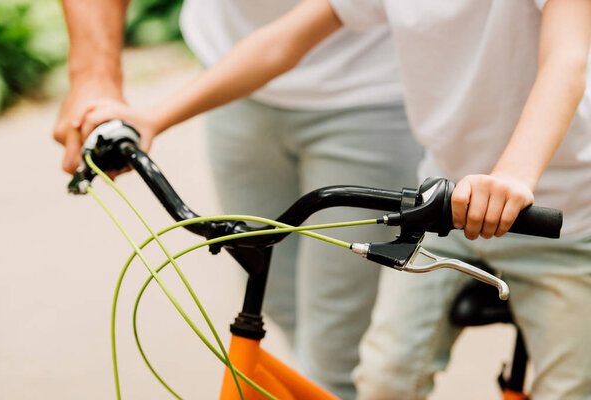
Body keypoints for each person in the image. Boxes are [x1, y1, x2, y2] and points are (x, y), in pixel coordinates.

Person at [73, 0, 591, 398]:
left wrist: (514, 175)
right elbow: (285, 41)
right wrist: (155, 118)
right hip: (449, 210)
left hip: (563, 220)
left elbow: (566, 57)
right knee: (384, 377)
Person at [54, 1, 421, 398]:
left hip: (370, 94)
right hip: (229, 80)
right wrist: (93, 77)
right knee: (276, 299)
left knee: (333, 344)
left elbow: (289, 42)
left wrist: (158, 116)